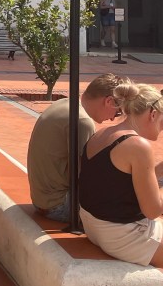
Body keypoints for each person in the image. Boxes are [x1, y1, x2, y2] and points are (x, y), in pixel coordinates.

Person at [78, 82, 163, 267]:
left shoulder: (102, 134)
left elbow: (120, 181)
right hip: (123, 236)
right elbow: (153, 211)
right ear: (153, 114)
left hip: (95, 227)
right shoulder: (138, 146)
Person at [27, 73, 128, 224]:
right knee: (129, 206)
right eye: (118, 112)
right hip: (60, 205)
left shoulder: (64, 103)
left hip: (42, 200)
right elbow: (87, 175)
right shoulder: (82, 121)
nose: (113, 118)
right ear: (109, 101)